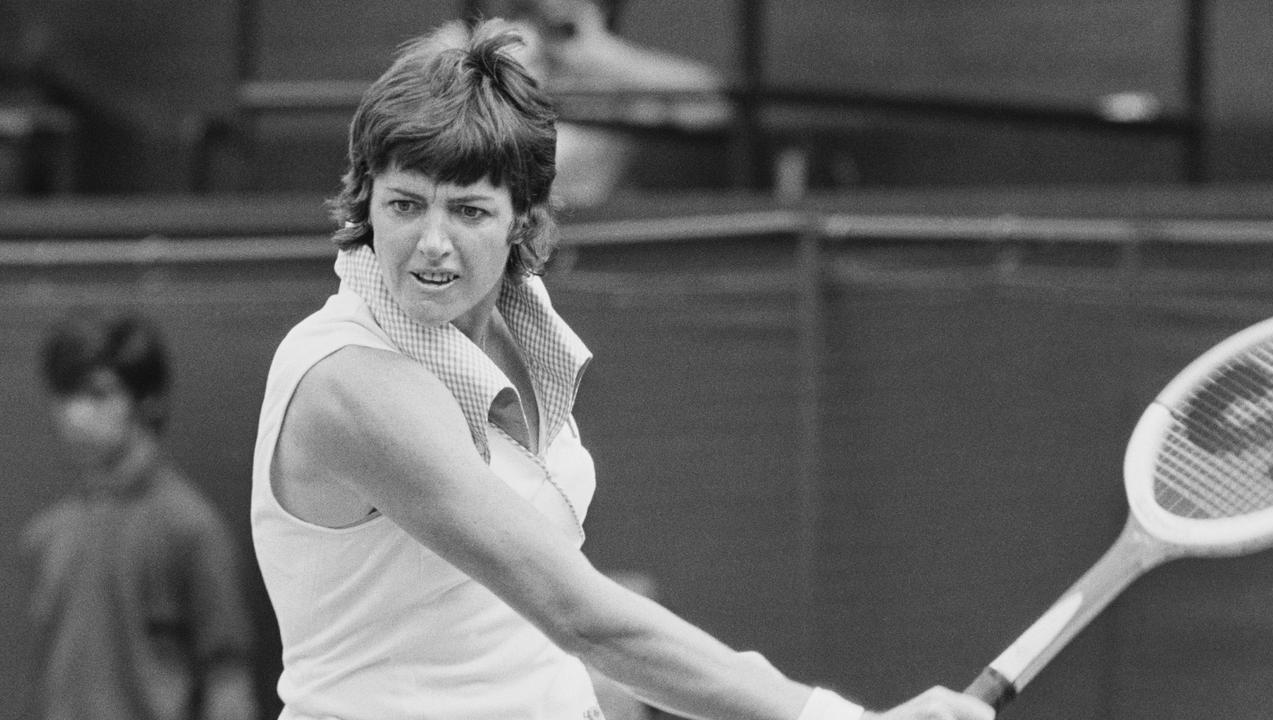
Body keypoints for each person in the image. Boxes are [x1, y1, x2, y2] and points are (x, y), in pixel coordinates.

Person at [251, 17, 994, 720]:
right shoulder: (350, 382)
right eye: (405, 204)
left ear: (524, 220)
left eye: (469, 211)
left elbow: (524, 629)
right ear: (365, 203)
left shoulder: (514, 324)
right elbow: (582, 617)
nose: (432, 243)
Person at [20, 312, 258, 720]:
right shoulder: (45, 536)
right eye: (67, 395)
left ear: (147, 401)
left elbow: (229, 686)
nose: (77, 413)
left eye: (98, 394)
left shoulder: (190, 528)